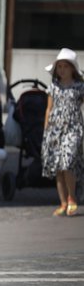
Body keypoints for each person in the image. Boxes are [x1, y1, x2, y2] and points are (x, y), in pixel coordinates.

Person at [41, 48, 84, 217]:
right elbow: (49, 109)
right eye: (59, 66)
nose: (62, 70)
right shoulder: (54, 87)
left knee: (68, 162)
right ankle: (63, 202)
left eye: (66, 66)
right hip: (55, 130)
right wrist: (46, 130)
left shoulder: (80, 86)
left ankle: (72, 198)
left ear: (72, 68)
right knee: (58, 167)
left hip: (73, 128)